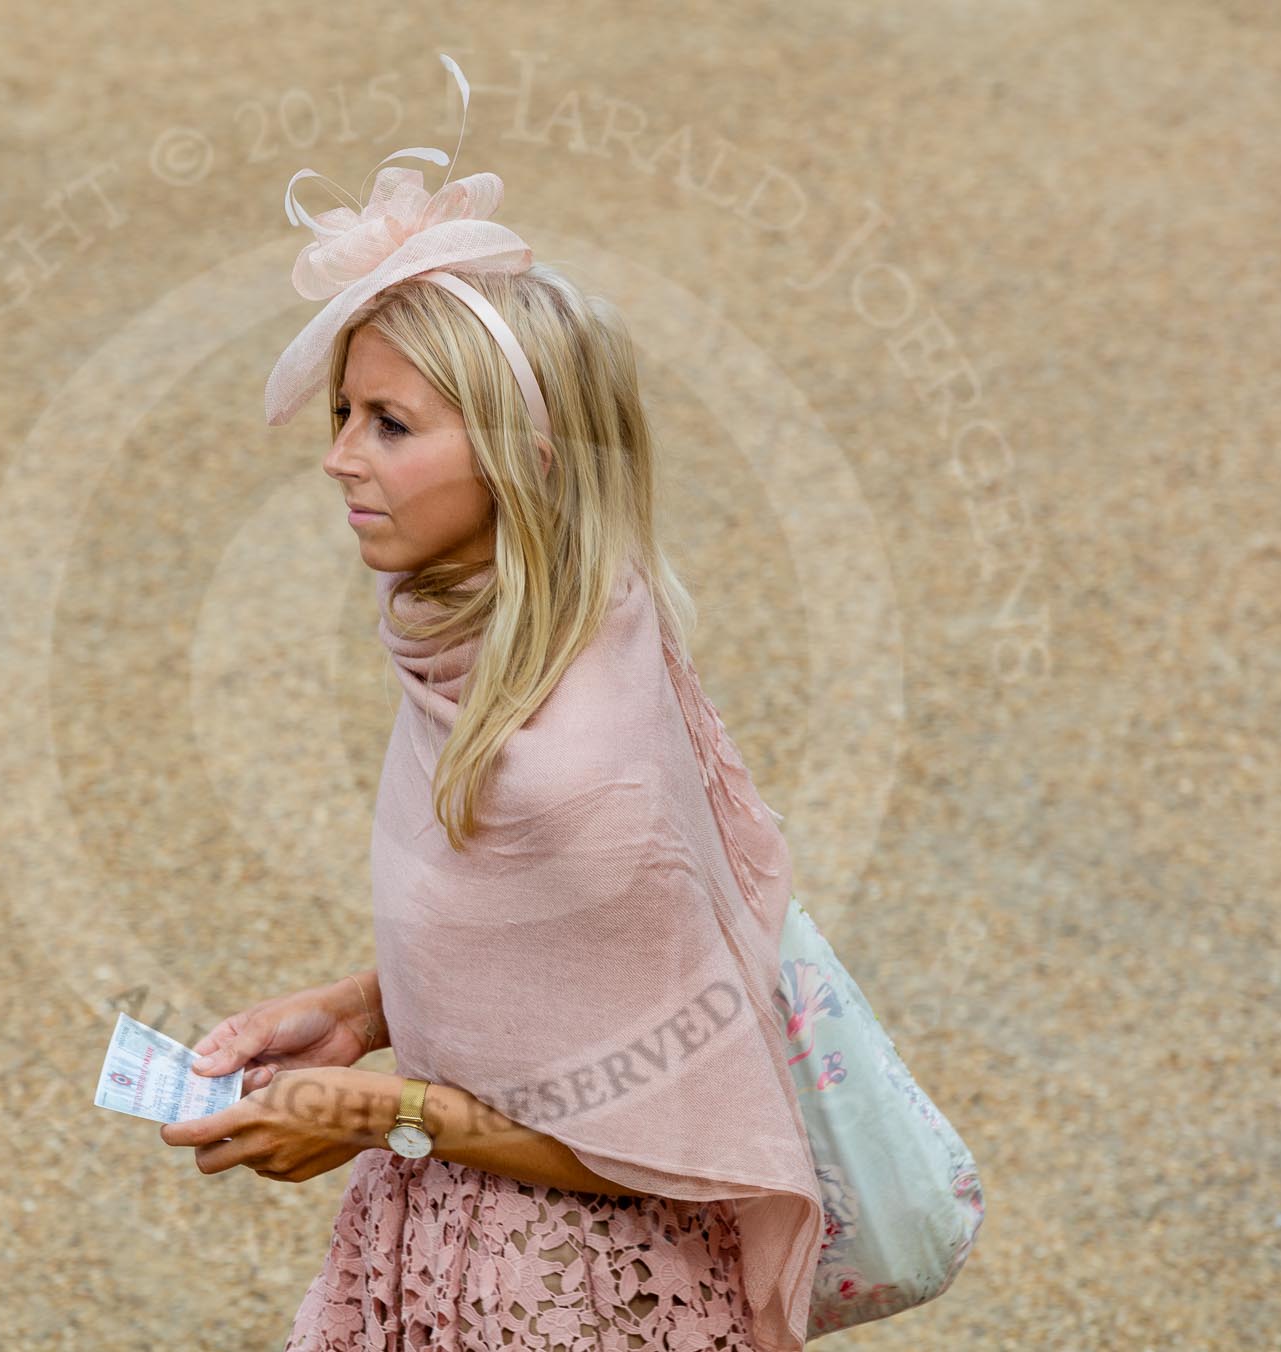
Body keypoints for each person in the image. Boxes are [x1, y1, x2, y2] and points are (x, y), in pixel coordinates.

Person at [158, 55, 824, 1350]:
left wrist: (374, 1114)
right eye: (344, 415)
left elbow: (671, 1139)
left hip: (579, 1300)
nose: (343, 457)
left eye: (391, 424)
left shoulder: (582, 769)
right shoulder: (513, 634)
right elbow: (549, 960)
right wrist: (359, 1015)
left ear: (523, 453)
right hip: (444, 1240)